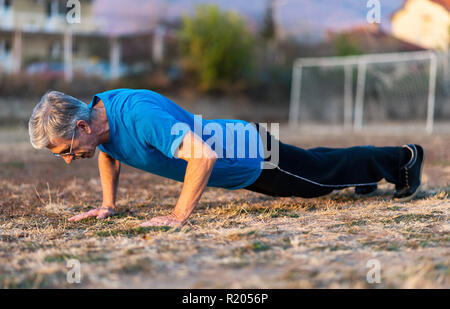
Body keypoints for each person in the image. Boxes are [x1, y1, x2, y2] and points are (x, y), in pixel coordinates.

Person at [28, 89, 425, 228]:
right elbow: (109, 156)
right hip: (242, 145)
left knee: (315, 178)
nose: (67, 160)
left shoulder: (137, 116)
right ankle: (366, 175)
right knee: (317, 165)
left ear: (81, 128)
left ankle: (404, 159)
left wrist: (177, 216)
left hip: (247, 153)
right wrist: (108, 205)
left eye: (65, 151)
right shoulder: (100, 119)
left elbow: (202, 157)